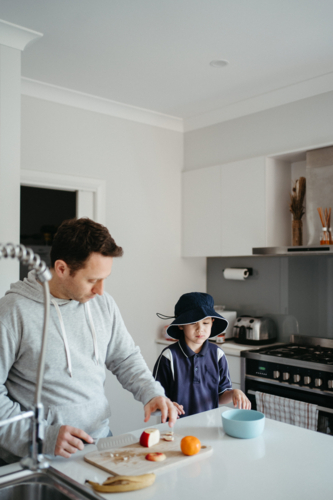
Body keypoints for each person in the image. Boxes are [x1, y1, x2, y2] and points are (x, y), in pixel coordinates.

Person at [0, 218, 176, 464]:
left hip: (99, 443)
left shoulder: (103, 304)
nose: (101, 290)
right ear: (61, 268)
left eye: (105, 278)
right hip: (38, 457)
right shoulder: (12, 312)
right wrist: (42, 436)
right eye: (92, 280)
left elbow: (124, 357)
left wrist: (151, 392)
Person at [153, 292, 251, 418]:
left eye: (205, 323)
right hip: (176, 429)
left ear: (212, 322)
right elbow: (156, 398)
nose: (200, 329)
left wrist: (234, 393)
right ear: (181, 325)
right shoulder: (169, 356)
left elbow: (220, 397)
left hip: (209, 427)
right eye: (193, 323)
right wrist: (169, 405)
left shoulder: (218, 354)